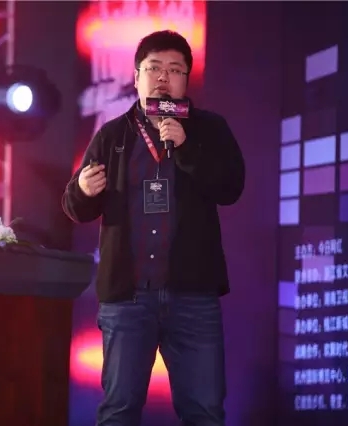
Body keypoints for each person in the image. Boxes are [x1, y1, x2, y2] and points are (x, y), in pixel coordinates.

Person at [62, 30, 245, 426]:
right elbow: (75, 207)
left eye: (175, 70)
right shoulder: (112, 135)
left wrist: (186, 148)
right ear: (136, 77)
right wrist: (82, 190)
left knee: (205, 412)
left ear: (187, 80)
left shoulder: (209, 129)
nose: (164, 77)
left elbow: (231, 187)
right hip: (128, 299)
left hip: (193, 296)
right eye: (154, 68)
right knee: (118, 411)